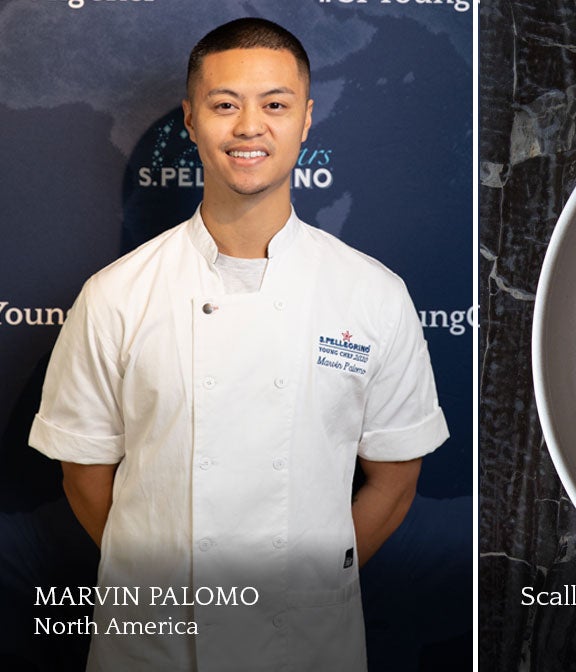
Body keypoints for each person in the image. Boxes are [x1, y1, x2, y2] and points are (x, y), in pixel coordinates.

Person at [28, 17, 448, 671]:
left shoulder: (373, 296)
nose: (250, 127)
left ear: (306, 119)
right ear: (192, 120)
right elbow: (84, 475)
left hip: (308, 645)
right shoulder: (115, 295)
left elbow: (395, 480)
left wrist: (308, 587)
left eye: (274, 104)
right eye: (225, 105)